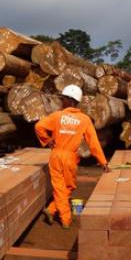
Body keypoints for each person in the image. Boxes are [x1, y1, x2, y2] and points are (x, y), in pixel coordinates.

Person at [35, 84, 109, 229]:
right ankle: (66, 220)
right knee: (68, 186)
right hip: (70, 157)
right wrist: (103, 162)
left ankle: (51, 209)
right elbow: (93, 143)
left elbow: (38, 126)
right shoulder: (84, 119)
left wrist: (47, 140)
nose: (62, 102)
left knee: (60, 187)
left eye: (63, 99)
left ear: (69, 100)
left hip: (55, 155)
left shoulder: (57, 116)